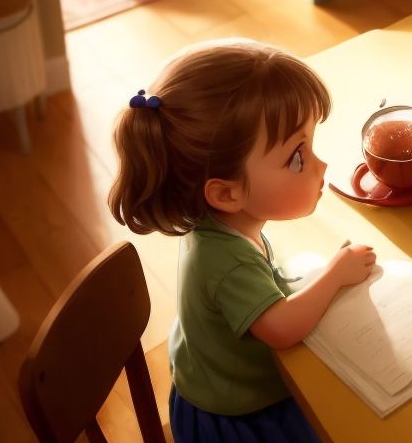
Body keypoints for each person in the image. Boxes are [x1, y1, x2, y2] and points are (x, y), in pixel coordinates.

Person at [109, 40, 376, 441]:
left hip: (223, 379)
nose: (320, 164)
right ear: (226, 193)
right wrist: (335, 274)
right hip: (238, 416)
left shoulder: (225, 224)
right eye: (298, 158)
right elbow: (282, 328)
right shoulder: (226, 260)